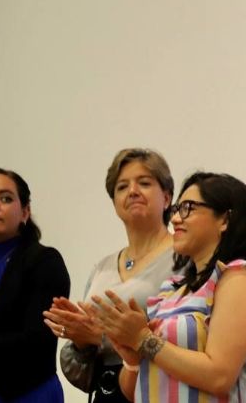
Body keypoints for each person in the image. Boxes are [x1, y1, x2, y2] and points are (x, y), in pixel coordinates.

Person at [89, 171, 246, 402]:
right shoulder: (172, 290)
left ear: (225, 220)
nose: (175, 219)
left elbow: (219, 376)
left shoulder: (241, 279)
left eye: (188, 208)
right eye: (176, 209)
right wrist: (133, 360)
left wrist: (144, 339)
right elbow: (134, 392)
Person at [46, 148, 176, 402]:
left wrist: (100, 336)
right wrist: (81, 339)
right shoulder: (103, 267)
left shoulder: (183, 258)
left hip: (160, 389)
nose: (133, 191)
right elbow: (84, 363)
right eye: (122, 187)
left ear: (168, 197)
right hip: (107, 391)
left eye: (145, 183)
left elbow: (188, 334)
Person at [0, 167, 71, 401]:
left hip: (26, 392)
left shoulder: (43, 261)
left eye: (5, 198)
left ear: (25, 212)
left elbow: (37, 341)